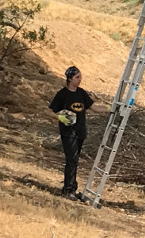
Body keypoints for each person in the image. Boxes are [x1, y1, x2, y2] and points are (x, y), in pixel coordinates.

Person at [49, 66, 96, 200]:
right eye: (77, 77)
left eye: (80, 77)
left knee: (75, 161)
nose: (80, 79)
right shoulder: (62, 94)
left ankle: (72, 189)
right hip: (68, 133)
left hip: (80, 132)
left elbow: (93, 107)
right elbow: (48, 111)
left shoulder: (81, 93)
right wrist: (59, 117)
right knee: (72, 160)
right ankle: (68, 190)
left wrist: (111, 108)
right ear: (70, 79)